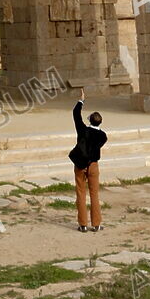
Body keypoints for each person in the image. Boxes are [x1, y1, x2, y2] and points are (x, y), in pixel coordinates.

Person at [68, 87, 107, 233]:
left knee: (80, 193)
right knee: (94, 194)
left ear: (89, 120)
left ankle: (83, 224)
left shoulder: (82, 130)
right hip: (93, 166)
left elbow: (75, 114)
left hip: (80, 165)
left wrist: (81, 100)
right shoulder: (103, 136)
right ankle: (96, 224)